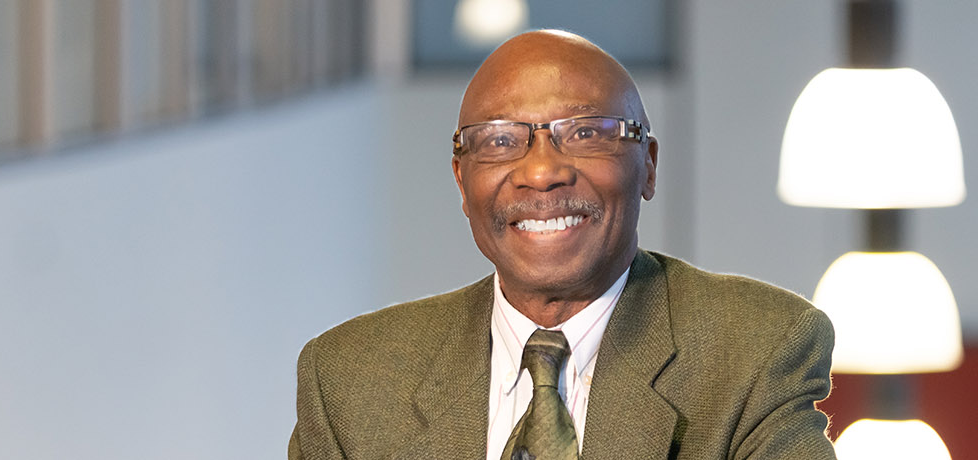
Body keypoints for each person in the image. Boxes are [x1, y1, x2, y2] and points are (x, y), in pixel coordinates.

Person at [288, 30, 836, 460]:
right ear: (461, 181)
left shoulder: (756, 350)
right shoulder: (347, 379)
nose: (543, 172)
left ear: (647, 165)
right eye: (502, 141)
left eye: (585, 133)